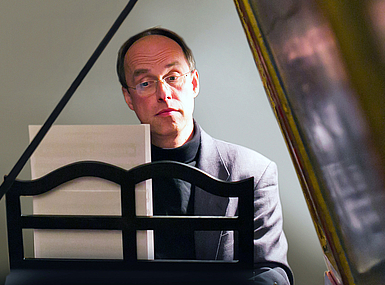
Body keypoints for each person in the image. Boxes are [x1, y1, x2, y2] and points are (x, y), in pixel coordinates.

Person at [117, 27, 293, 285]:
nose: (163, 94)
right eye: (145, 83)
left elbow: (271, 271)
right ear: (129, 98)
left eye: (173, 77)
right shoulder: (105, 176)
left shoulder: (255, 171)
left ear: (194, 83)